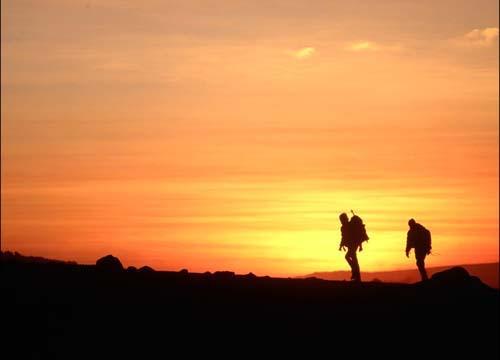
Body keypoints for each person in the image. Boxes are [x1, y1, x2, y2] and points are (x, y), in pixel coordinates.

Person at [338, 212, 365, 282]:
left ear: (345, 219)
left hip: (354, 245)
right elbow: (343, 237)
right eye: (341, 220)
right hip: (351, 246)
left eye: (342, 220)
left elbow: (357, 235)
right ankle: (357, 277)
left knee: (348, 257)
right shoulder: (343, 228)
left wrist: (360, 245)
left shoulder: (350, 226)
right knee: (354, 260)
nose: (341, 221)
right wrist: (341, 245)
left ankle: (355, 273)